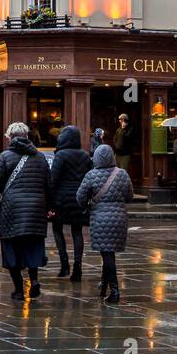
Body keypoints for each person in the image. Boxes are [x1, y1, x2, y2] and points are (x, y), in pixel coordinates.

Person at [0, 122, 53, 301]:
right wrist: (51, 207)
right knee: (33, 245)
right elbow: (48, 184)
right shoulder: (40, 157)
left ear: (10, 137)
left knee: (11, 247)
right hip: (36, 208)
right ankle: (34, 280)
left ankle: (19, 290)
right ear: (27, 136)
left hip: (12, 209)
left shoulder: (5, 157)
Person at [76, 144, 133, 305]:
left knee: (107, 255)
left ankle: (114, 291)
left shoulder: (91, 175)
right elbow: (129, 196)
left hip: (99, 218)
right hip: (120, 218)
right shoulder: (122, 174)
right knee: (108, 254)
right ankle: (104, 286)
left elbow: (80, 198)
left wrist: (89, 202)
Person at [49, 124, 92, 282]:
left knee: (57, 228)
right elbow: (89, 177)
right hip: (80, 198)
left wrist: (50, 202)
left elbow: (53, 179)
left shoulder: (61, 155)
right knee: (77, 231)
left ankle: (64, 264)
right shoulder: (85, 155)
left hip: (61, 199)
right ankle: (78, 267)